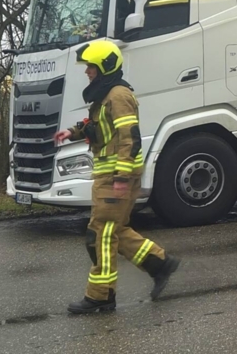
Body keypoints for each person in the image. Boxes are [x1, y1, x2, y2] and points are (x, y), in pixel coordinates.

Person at [55, 39, 180, 315]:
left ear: (105, 67)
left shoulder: (118, 96)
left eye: (91, 67)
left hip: (115, 176)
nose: (87, 71)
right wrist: (72, 132)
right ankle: (160, 264)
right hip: (108, 175)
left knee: (100, 233)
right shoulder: (106, 96)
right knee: (114, 231)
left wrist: (122, 176)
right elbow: (95, 125)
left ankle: (100, 296)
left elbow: (129, 139)